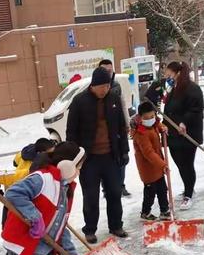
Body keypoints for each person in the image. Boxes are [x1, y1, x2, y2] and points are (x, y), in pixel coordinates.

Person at [0, 138, 77, 255]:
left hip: (40, 212)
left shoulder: (58, 177)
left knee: (52, 237)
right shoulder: (32, 173)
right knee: (19, 249)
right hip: (17, 212)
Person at [66, 67, 129, 244]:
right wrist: (76, 158)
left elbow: (121, 129)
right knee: (91, 196)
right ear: (93, 85)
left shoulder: (114, 99)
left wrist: (124, 151)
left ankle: (116, 225)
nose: (105, 90)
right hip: (89, 159)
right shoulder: (79, 101)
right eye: (101, 86)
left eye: (107, 86)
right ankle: (90, 229)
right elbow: (71, 133)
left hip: (111, 156)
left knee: (115, 193)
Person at [163, 61, 204, 211]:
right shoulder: (173, 89)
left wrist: (184, 122)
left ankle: (188, 194)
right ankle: (188, 187)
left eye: (169, 74)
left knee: (187, 165)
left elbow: (196, 109)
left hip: (187, 135)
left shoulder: (192, 89)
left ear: (178, 73)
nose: (167, 77)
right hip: (173, 135)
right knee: (180, 165)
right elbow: (168, 111)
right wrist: (164, 125)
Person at [132, 102, 171, 221]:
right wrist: (163, 164)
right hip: (148, 168)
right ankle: (145, 212)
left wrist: (163, 128)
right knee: (150, 192)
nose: (150, 119)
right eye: (146, 118)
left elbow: (157, 125)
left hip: (157, 166)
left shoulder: (153, 125)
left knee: (162, 189)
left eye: (152, 116)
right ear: (140, 118)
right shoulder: (141, 133)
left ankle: (164, 211)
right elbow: (148, 153)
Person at [99, 58, 131, 197]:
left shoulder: (117, 86)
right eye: (105, 70)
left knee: (121, 157)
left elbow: (123, 104)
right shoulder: (96, 86)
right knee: (105, 160)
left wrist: (127, 123)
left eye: (110, 70)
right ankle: (106, 188)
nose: (108, 73)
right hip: (103, 132)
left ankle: (121, 185)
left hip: (118, 128)